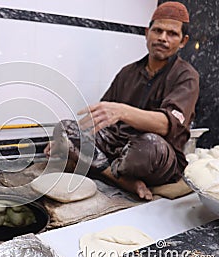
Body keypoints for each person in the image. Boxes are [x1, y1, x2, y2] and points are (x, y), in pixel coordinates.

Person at [45, 2, 199, 201]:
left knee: (149, 145)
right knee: (65, 128)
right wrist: (65, 141)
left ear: (183, 41)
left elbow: (166, 125)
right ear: (147, 32)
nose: (162, 38)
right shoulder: (128, 72)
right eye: (158, 30)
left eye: (172, 34)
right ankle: (118, 177)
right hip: (117, 146)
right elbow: (100, 118)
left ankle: (98, 167)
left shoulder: (186, 76)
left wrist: (123, 111)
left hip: (155, 155)